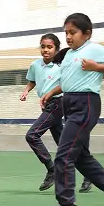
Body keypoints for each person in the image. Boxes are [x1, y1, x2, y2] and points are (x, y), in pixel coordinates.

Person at [38, 13, 104, 206]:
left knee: (64, 155)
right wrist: (51, 92)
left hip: (86, 104)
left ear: (87, 33)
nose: (69, 37)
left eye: (73, 32)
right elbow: (70, 81)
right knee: (79, 156)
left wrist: (96, 67)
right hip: (70, 103)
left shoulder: (94, 49)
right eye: (66, 33)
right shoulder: (70, 54)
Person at [20, 34, 91, 193]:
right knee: (64, 145)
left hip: (58, 104)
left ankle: (51, 169)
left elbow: (66, 83)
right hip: (47, 105)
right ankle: (89, 174)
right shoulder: (35, 65)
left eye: (50, 47)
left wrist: (51, 93)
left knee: (32, 135)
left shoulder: (62, 65)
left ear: (56, 49)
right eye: (43, 46)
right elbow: (33, 80)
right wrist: (25, 91)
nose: (46, 50)